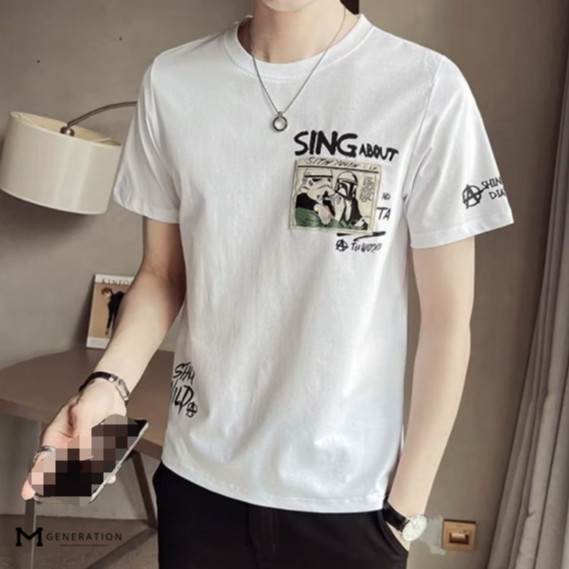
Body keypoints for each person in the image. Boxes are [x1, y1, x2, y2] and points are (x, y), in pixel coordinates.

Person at [20, 1, 516, 568]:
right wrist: (108, 385)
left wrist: (406, 510)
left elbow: (449, 322)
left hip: (350, 501)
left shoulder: (426, 87)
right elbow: (162, 274)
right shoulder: (173, 81)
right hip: (198, 483)